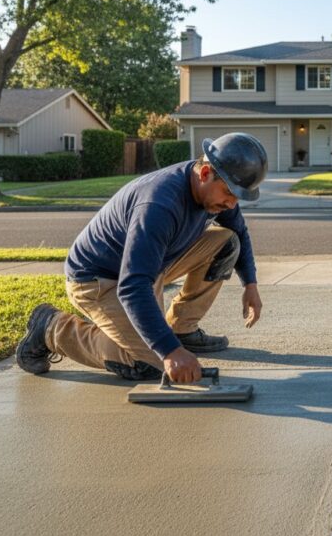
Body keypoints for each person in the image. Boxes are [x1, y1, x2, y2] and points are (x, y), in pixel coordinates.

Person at [14, 132, 268, 384]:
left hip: (149, 266)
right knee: (149, 363)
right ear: (205, 174)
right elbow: (132, 286)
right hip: (98, 280)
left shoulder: (211, 193)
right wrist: (168, 351)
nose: (233, 204)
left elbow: (239, 232)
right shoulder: (158, 205)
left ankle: (182, 328)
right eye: (229, 193)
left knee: (227, 242)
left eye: (239, 197)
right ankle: (51, 328)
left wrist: (250, 285)